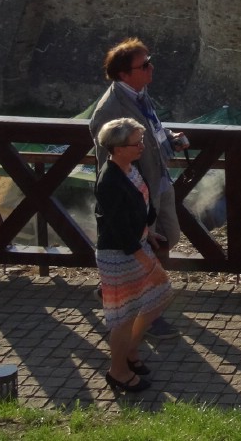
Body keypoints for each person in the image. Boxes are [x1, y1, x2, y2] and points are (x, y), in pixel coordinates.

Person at [89, 38, 187, 340]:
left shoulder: (139, 94)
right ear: (123, 73)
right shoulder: (110, 108)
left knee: (168, 237)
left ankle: (116, 290)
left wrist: (168, 138)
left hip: (157, 181)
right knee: (142, 247)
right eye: (144, 65)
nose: (151, 67)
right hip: (136, 191)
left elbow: (146, 131)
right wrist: (129, 193)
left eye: (149, 61)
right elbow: (110, 157)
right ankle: (148, 313)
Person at [93, 117, 173, 395]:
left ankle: (129, 350)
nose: (142, 146)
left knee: (158, 295)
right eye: (136, 143)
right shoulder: (109, 180)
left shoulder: (130, 167)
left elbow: (137, 207)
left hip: (135, 246)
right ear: (117, 148)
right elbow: (117, 226)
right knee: (124, 316)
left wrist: (147, 232)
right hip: (120, 255)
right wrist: (143, 257)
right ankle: (118, 371)